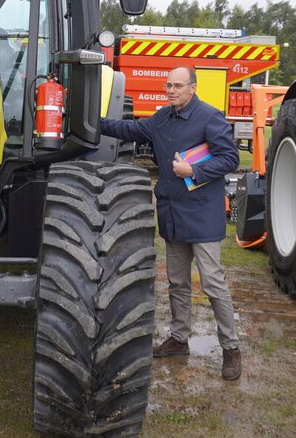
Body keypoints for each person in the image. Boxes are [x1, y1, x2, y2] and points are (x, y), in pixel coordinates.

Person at [99, 66, 243, 380]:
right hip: (172, 214)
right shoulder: (162, 117)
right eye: (168, 85)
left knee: (212, 283)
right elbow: (129, 130)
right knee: (177, 282)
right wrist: (91, 123)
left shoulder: (210, 116)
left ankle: (231, 349)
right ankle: (179, 339)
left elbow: (230, 158)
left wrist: (193, 171)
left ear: (192, 87)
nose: (171, 90)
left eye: (178, 85)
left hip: (202, 214)